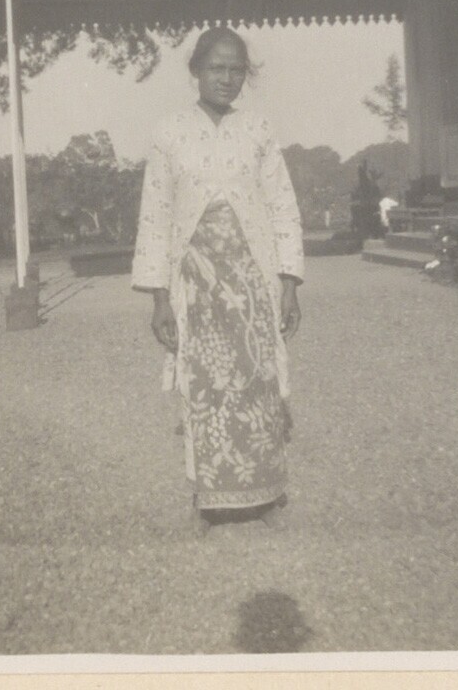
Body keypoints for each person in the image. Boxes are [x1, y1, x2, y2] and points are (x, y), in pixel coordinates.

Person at [132, 26, 304, 534]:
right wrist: (159, 299)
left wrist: (289, 284)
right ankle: (206, 499)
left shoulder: (258, 130)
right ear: (196, 71)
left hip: (252, 281)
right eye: (216, 68)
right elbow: (156, 216)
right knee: (203, 387)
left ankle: (265, 494)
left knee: (258, 382)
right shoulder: (169, 133)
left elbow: (282, 205)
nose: (226, 79)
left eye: (236, 70)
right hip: (196, 286)